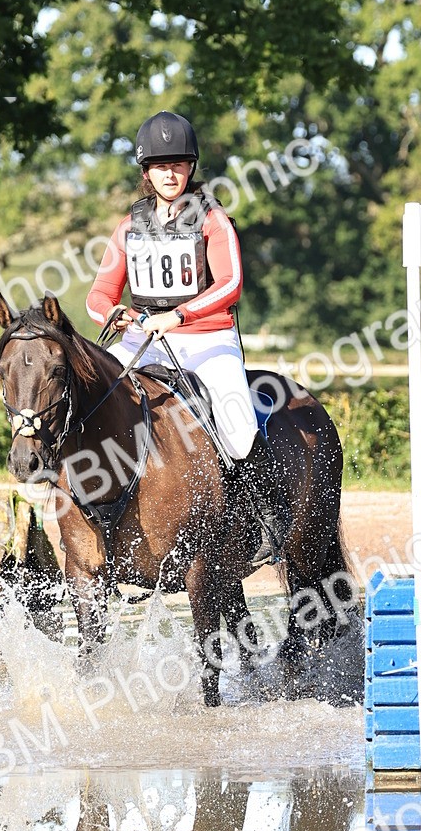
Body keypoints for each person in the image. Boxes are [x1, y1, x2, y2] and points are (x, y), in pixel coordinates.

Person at [85, 109, 286, 563]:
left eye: (177, 163)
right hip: (141, 340)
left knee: (236, 427)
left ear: (191, 166)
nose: (169, 172)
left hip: (207, 340)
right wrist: (113, 313)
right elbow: (98, 293)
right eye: (160, 165)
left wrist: (179, 316)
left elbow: (231, 283)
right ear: (146, 172)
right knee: (91, 403)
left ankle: (265, 518)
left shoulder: (213, 220)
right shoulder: (129, 226)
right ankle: (78, 512)